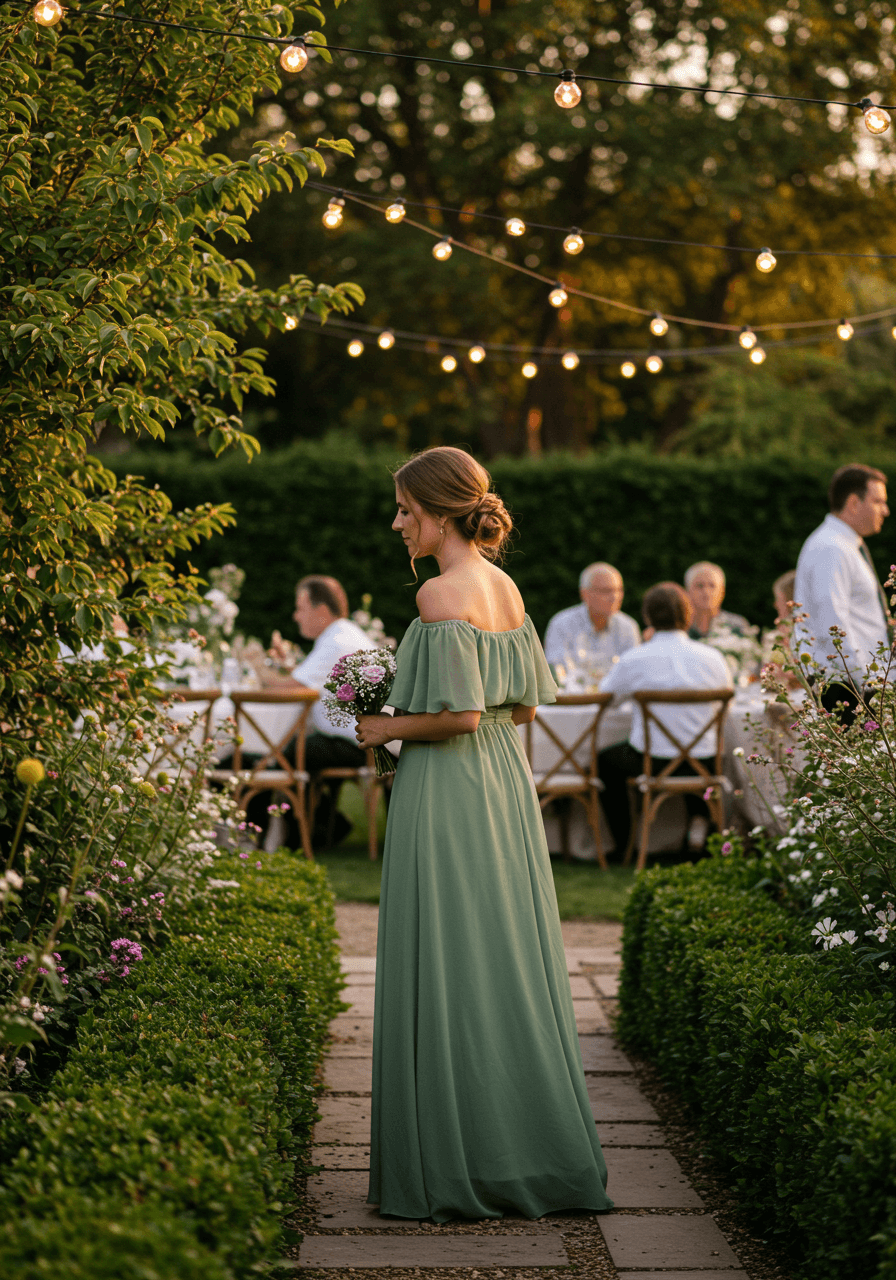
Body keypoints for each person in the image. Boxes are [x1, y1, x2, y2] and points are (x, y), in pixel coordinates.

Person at [355, 446, 612, 1222]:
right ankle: (529, 1146)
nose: (398, 524)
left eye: (406, 510)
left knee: (448, 953)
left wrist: (382, 726)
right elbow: (525, 708)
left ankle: (454, 1160)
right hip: (502, 783)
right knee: (499, 954)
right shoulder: (505, 586)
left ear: (438, 513)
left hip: (450, 787)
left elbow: (458, 716)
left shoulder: (441, 596)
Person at [598, 582, 732, 856]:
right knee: (694, 750)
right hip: (705, 761)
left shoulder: (634, 658)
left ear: (647, 618)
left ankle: (625, 846)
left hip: (654, 763)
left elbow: (606, 699)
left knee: (605, 761)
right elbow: (726, 710)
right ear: (689, 616)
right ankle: (699, 833)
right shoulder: (714, 658)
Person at [248, 575, 370, 847]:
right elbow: (305, 679)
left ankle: (278, 837)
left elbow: (286, 688)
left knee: (271, 757)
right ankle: (324, 826)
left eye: (300, 608)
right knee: (285, 752)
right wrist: (284, 666)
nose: (295, 616)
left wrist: (257, 664)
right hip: (364, 738)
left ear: (321, 611)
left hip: (352, 742)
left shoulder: (336, 641)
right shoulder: (344, 633)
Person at [793, 463, 891, 722]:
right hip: (848, 687)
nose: (886, 510)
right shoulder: (831, 548)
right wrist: (869, 686)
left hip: (852, 683)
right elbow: (832, 623)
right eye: (878, 501)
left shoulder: (841, 544)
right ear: (853, 503)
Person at [544, 562, 640, 677]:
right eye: (606, 591)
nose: (615, 597)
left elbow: (633, 671)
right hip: (574, 694)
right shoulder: (561, 624)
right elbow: (558, 671)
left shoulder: (628, 626)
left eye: (618, 590)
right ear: (584, 594)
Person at [684, 561, 750, 641]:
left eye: (712, 585)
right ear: (687, 591)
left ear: (722, 591)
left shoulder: (737, 626)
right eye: (700, 586)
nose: (706, 592)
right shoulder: (679, 627)